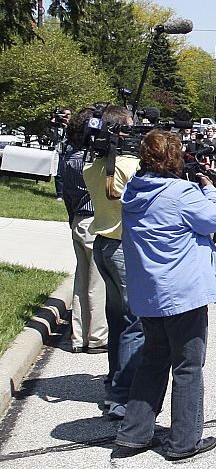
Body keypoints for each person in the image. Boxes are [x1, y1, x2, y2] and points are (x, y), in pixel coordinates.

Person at [115, 130, 216, 460]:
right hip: (183, 292)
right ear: (174, 158)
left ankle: (134, 434)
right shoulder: (181, 193)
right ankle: (184, 442)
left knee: (153, 360)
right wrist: (210, 186)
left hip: (150, 293)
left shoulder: (133, 190)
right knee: (188, 366)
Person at [83, 105, 144, 420]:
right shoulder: (129, 167)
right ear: (121, 132)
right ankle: (123, 395)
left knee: (118, 320)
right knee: (136, 321)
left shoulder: (92, 167)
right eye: (131, 128)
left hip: (103, 246)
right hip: (123, 248)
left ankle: (113, 384)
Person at [62, 108, 108, 354]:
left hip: (78, 220)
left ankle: (78, 336)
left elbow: (68, 196)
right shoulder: (93, 162)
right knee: (96, 283)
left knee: (81, 281)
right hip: (94, 221)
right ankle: (98, 337)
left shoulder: (69, 159)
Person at [52, 107, 72, 200]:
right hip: (59, 151)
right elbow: (52, 136)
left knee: (69, 174)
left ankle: (68, 194)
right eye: (64, 114)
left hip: (70, 152)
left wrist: (67, 126)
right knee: (59, 173)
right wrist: (53, 123)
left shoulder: (73, 126)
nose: (66, 116)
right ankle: (60, 194)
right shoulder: (57, 125)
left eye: (68, 115)